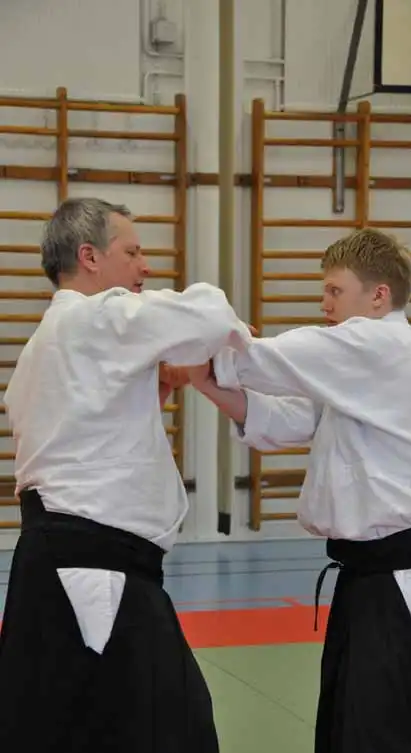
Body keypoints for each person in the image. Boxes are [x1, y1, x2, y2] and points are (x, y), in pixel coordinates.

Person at [184, 228, 411, 753]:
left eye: (334, 290)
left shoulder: (380, 343)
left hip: (402, 577)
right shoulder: (359, 368)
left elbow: (275, 359)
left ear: (379, 296)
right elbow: (288, 419)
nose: (324, 302)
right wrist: (209, 382)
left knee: (392, 731)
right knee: (357, 726)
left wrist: (216, 341)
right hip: (371, 576)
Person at [0, 197, 252, 753]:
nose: (146, 267)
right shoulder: (99, 316)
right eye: (133, 252)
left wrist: (151, 389)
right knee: (166, 730)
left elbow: (83, 433)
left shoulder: (47, 345)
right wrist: (219, 326)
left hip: (64, 564)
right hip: (96, 572)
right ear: (89, 257)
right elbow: (210, 316)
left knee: (76, 727)